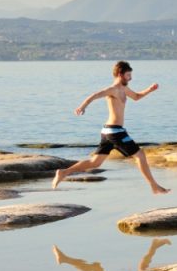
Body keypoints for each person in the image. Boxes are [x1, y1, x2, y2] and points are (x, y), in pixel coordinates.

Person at [52, 60, 170, 194]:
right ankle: (154, 186)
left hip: (109, 131)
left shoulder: (124, 89)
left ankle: (63, 172)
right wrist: (82, 107)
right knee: (140, 155)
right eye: (128, 75)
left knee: (95, 163)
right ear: (120, 74)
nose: (130, 78)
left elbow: (136, 97)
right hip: (115, 131)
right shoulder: (112, 89)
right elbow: (94, 95)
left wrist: (150, 89)